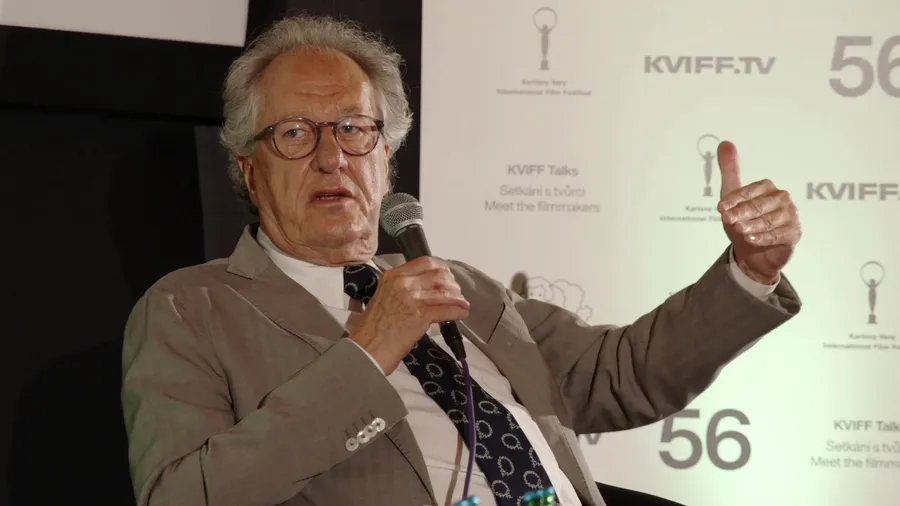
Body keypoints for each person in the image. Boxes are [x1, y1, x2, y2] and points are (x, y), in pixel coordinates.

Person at [120, 14, 803, 506]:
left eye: (355, 130)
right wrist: (368, 354)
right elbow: (181, 496)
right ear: (249, 168)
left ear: (386, 158)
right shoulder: (191, 309)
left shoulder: (464, 286)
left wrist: (752, 269)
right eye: (295, 133)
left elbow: (619, 375)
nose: (331, 157)